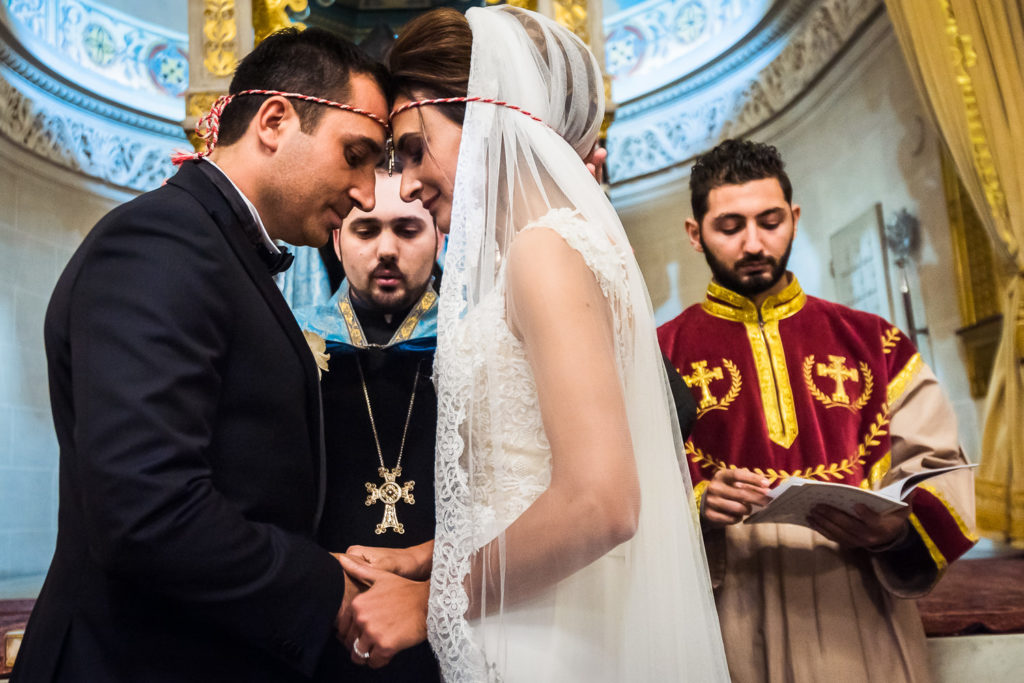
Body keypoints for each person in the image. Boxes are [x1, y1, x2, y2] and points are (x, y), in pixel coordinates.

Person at [336, 6, 730, 681]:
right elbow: (524, 480)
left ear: (480, 114)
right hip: (531, 609)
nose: (404, 181)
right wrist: (428, 553)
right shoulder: (545, 248)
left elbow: (601, 502)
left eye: (411, 146)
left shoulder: (543, 252)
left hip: (555, 638)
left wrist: (433, 599)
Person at [12, 29, 389, 683]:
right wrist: (322, 583)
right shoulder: (162, 240)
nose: (365, 191)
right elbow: (147, 508)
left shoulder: (218, 248)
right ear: (274, 120)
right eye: (354, 155)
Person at [657, 138, 977, 682]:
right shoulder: (658, 353)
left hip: (859, 599)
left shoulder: (874, 343)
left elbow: (940, 469)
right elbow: (626, 491)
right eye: (730, 227)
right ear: (696, 234)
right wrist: (696, 504)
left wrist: (895, 533)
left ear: (795, 218)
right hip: (730, 605)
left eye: (770, 220)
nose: (754, 242)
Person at [295, 167, 444, 682]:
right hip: (322, 615)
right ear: (337, 239)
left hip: (443, 618)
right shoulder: (296, 345)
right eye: (366, 230)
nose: (386, 248)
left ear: (438, 236)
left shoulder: (475, 346)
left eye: (407, 229)